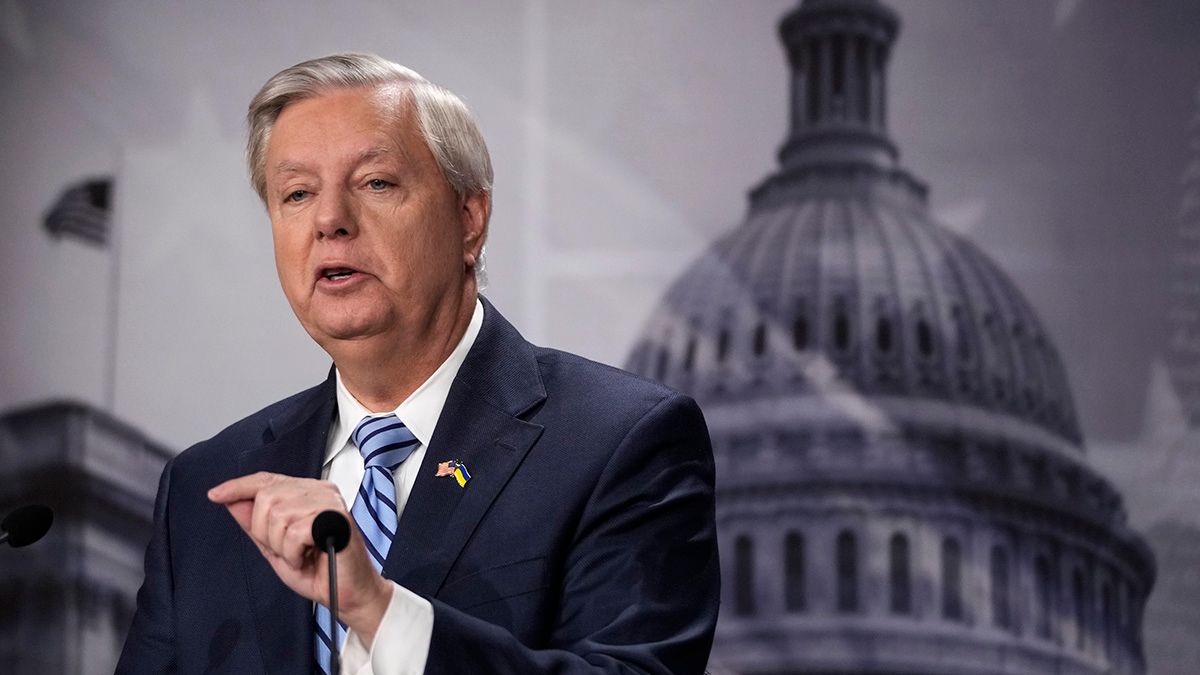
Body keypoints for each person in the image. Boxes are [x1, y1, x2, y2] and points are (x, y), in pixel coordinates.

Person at [116, 52, 719, 674]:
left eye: (377, 183)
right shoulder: (207, 489)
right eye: (296, 193)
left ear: (469, 218)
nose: (330, 222)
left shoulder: (620, 440)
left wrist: (379, 611)